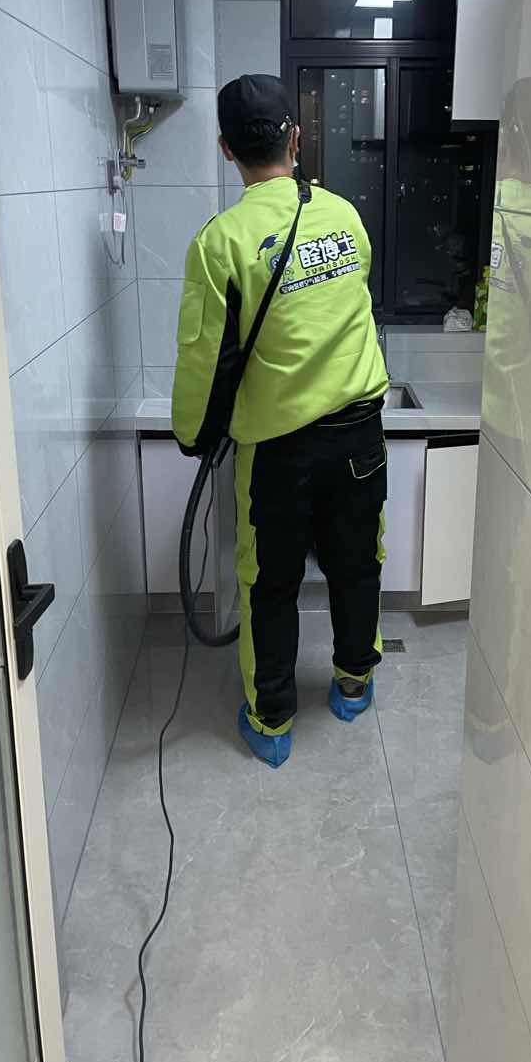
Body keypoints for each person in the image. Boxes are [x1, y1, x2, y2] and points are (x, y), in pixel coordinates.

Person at [171, 74, 390, 769]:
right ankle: (353, 683)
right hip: (360, 434)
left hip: (278, 451)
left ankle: (271, 723)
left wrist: (192, 435)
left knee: (269, 583)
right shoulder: (345, 216)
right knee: (358, 563)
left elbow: (204, 356)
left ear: (226, 149)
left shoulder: (221, 242)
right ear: (296, 138)